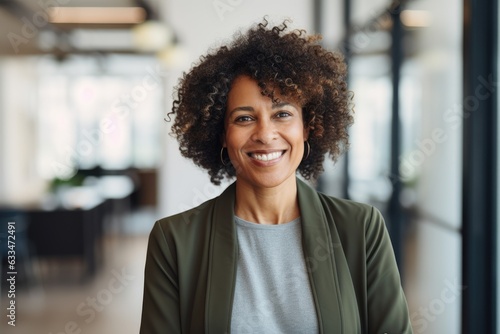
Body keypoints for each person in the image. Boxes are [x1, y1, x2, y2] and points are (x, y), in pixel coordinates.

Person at [139, 19, 413, 334]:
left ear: (308, 126)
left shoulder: (360, 229)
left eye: (282, 114)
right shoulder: (174, 240)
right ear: (222, 135)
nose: (266, 135)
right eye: (244, 118)